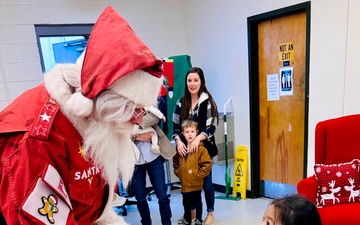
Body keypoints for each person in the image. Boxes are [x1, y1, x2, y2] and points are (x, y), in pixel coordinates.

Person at [0, 6, 164, 225]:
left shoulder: (97, 122)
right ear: (102, 100)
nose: (139, 120)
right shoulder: (37, 141)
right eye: (133, 109)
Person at [172, 67, 219, 225]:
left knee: (206, 183)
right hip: (185, 152)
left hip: (203, 149)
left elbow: (211, 126)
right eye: (189, 80)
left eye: (196, 80)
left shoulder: (207, 101)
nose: (192, 84)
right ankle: (190, 213)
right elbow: (175, 127)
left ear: (201, 82)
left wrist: (198, 138)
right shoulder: (181, 102)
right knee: (190, 184)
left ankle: (210, 214)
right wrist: (179, 141)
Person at [131, 120, 173, 225]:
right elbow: (117, 133)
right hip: (134, 160)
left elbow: (156, 118)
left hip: (154, 156)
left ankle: (167, 222)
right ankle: (146, 222)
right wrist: (137, 136)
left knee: (162, 194)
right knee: (140, 197)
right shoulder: (121, 111)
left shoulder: (147, 107)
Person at [173, 120, 213, 225]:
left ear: (197, 132)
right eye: (187, 132)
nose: (190, 134)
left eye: (192, 131)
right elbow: (175, 162)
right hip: (185, 184)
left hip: (196, 183)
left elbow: (207, 163)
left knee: (197, 202)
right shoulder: (181, 149)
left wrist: (198, 174)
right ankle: (187, 219)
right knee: (186, 203)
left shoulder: (201, 149)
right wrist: (179, 172)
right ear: (183, 134)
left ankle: (198, 219)